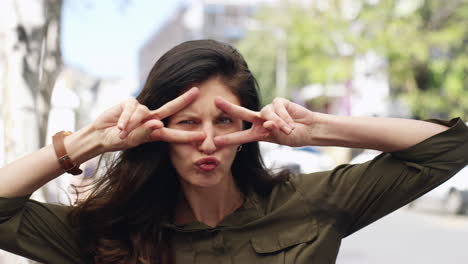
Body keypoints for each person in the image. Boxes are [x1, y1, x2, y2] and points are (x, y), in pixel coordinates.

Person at [0, 39, 467, 264]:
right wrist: (94, 140)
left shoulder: (312, 202)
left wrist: (317, 127)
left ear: (248, 124)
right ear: (155, 133)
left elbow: (448, 148)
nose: (207, 142)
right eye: (187, 123)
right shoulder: (108, 231)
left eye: (224, 120)